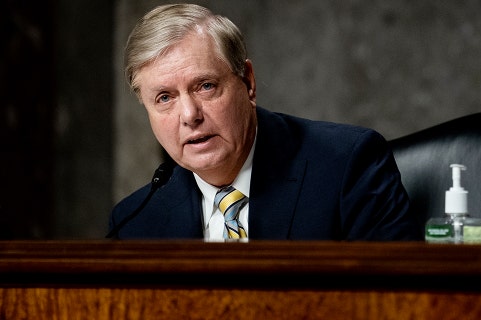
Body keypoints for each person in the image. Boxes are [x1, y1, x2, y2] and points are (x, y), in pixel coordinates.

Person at [108, 3, 422, 241]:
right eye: (165, 98)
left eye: (205, 86)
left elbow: (398, 302)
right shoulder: (134, 222)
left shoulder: (347, 167)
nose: (190, 115)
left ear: (248, 82)